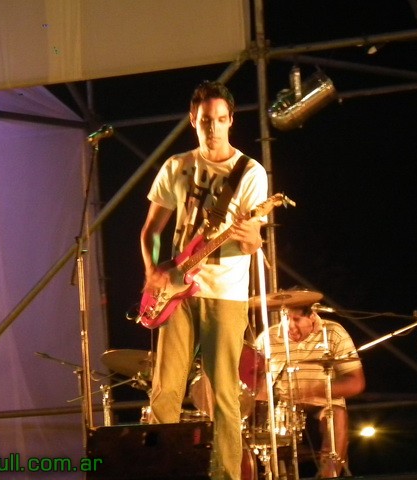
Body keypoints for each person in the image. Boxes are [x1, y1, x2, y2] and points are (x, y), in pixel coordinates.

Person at [140, 80, 268, 480]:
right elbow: (151, 231)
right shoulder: (176, 166)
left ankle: (227, 474)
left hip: (225, 293)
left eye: (220, 119)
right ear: (192, 120)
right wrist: (152, 271)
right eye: (205, 120)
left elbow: (253, 243)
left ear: (231, 120)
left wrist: (250, 236)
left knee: (224, 393)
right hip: (177, 291)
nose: (213, 128)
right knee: (164, 391)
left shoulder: (250, 172)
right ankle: (161, 472)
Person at [253, 304, 365, 478]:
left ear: (312, 316)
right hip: (281, 410)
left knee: (336, 415)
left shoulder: (333, 332)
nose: (290, 326)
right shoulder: (266, 338)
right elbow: (256, 384)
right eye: (286, 319)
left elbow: (356, 383)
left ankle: (328, 474)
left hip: (322, 406)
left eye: (296, 319)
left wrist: (315, 390)